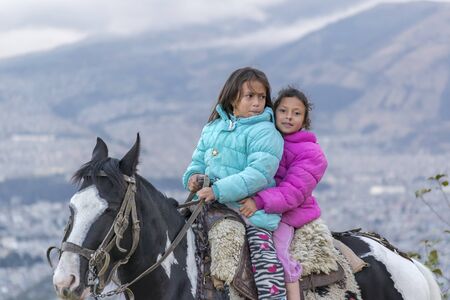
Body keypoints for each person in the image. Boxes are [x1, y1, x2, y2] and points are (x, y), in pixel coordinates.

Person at [183, 67, 287, 299]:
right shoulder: (212, 128)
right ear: (232, 98)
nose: (257, 103)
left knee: (263, 260)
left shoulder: (265, 132)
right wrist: (192, 178)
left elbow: (258, 173)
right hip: (209, 206)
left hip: (247, 211)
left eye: (261, 97)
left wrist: (218, 190)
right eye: (250, 96)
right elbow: (198, 160)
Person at [239, 87, 328, 300]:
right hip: (262, 207)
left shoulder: (310, 153)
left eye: (296, 113)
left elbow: (293, 193)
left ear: (305, 120)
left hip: (289, 213)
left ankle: (292, 294)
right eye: (283, 111)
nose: (288, 117)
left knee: (278, 255)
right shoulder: (265, 139)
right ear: (273, 112)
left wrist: (259, 201)